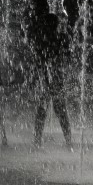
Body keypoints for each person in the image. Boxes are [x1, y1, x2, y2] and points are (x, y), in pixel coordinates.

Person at [33, 12, 72, 148]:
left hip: (49, 77)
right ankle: (68, 142)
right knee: (58, 109)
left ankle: (38, 140)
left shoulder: (45, 38)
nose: (48, 27)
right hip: (54, 77)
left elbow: (39, 58)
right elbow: (68, 56)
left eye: (50, 24)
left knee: (46, 109)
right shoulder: (60, 37)